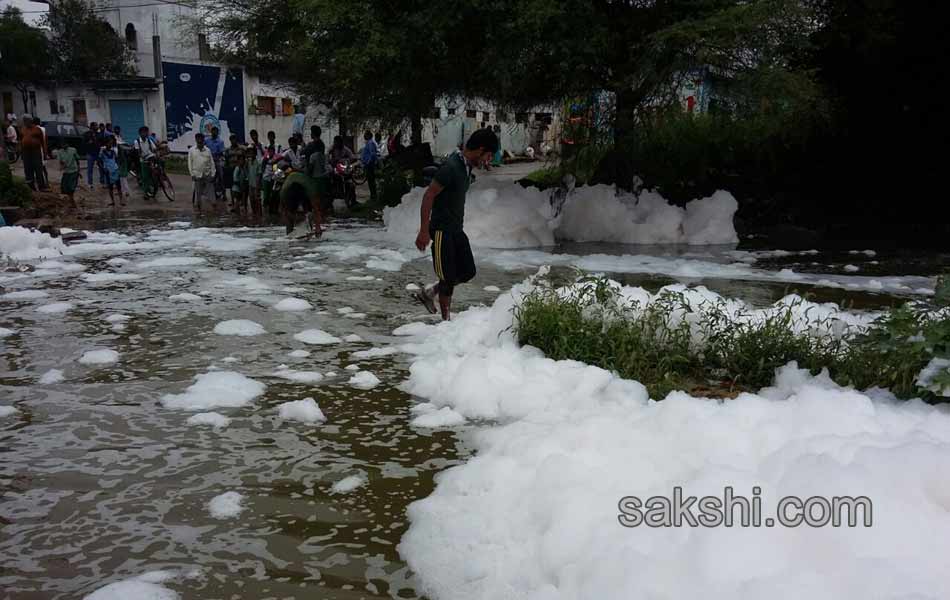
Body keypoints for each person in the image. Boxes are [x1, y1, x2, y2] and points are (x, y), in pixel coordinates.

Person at [413, 128, 499, 321]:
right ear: (480, 149)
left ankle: (430, 293)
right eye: (488, 155)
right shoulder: (452, 167)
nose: (488, 160)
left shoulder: (466, 167)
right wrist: (424, 230)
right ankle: (446, 322)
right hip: (442, 230)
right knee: (447, 278)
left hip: (456, 230)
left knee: (468, 271)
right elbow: (429, 195)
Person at [279, 166, 322, 237]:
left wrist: (318, 227)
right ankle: (289, 235)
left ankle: (309, 230)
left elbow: (316, 210)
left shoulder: (310, 191)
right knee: (289, 217)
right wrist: (293, 218)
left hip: (305, 184)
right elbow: (282, 210)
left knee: (309, 214)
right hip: (291, 190)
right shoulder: (284, 192)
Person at [188, 132, 216, 215]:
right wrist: (192, 175)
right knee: (198, 199)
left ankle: (213, 216)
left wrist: (213, 174)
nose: (200, 140)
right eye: (198, 139)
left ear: (203, 140)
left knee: (212, 199)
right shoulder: (192, 150)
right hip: (197, 176)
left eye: (201, 139)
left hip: (207, 176)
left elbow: (212, 163)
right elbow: (190, 163)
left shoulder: (208, 150)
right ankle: (199, 215)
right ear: (196, 140)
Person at [19, 117, 48, 191]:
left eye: (26, 121)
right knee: (28, 169)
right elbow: (20, 140)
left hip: (36, 151)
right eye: (24, 121)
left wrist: (45, 154)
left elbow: (43, 142)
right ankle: (31, 187)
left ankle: (41, 186)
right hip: (26, 152)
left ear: (30, 121)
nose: (25, 122)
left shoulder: (37, 129)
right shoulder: (23, 129)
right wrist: (21, 152)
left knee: (38, 168)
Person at [100, 135, 125, 206]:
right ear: (105, 144)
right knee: (110, 187)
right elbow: (99, 162)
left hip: (115, 169)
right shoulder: (102, 152)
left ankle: (121, 201)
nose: (110, 145)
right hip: (108, 171)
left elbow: (116, 160)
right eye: (109, 143)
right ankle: (112, 201)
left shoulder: (113, 151)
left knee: (118, 186)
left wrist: (118, 168)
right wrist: (103, 169)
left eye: (111, 143)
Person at [134, 126, 158, 199]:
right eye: (144, 132)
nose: (146, 134)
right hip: (143, 160)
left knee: (154, 172)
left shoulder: (149, 140)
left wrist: (156, 152)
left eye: (146, 132)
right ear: (140, 133)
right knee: (145, 177)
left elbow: (154, 148)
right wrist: (142, 156)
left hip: (151, 158)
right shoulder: (137, 141)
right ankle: (145, 192)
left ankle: (153, 186)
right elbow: (138, 152)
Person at [58, 140, 81, 212]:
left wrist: (79, 170)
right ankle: (72, 202)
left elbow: (77, 159)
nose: (63, 146)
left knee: (71, 187)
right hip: (66, 171)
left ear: (67, 144)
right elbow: (60, 161)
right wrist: (62, 165)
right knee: (65, 187)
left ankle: (72, 202)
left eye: (64, 144)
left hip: (73, 171)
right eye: (62, 145)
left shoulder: (73, 150)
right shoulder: (60, 152)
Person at [205, 126, 226, 201]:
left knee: (221, 177)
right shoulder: (207, 140)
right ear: (211, 132)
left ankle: (224, 194)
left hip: (217, 160)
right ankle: (212, 194)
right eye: (213, 131)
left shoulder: (220, 142)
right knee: (210, 178)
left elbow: (222, 152)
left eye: (215, 131)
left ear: (217, 133)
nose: (214, 133)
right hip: (209, 161)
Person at [360, 129, 379, 203]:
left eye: (365, 134)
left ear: (368, 135)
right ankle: (373, 195)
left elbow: (372, 154)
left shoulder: (370, 143)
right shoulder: (369, 143)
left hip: (370, 165)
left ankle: (373, 196)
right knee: (370, 181)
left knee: (371, 181)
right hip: (368, 164)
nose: (364, 136)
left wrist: (368, 162)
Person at [246, 147, 262, 223]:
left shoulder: (258, 162)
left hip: (256, 184)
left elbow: (259, 175)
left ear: (255, 154)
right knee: (252, 200)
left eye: (252, 153)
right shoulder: (249, 162)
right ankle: (254, 214)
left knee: (257, 200)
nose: (250, 154)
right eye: (249, 153)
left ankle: (259, 215)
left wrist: (258, 186)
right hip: (250, 184)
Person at [82, 123, 100, 189]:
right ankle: (90, 183)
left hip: (98, 153)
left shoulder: (98, 134)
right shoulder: (86, 134)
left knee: (101, 168)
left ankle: (103, 182)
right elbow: (83, 144)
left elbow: (100, 142)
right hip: (90, 153)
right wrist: (88, 143)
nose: (97, 127)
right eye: (96, 126)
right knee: (90, 169)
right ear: (92, 127)